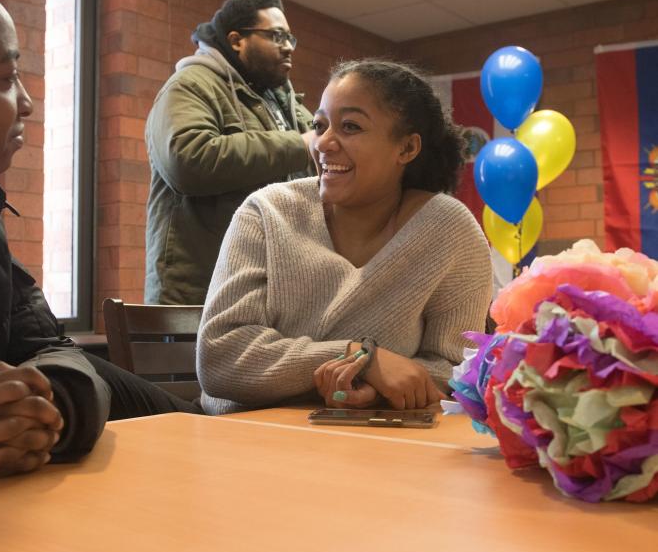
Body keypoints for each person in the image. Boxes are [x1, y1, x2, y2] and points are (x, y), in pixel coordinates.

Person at [0, 0, 190, 485]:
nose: (26, 103)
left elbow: (53, 350)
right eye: (6, 77)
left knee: (191, 442)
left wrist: (50, 407)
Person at [197, 59, 493, 415]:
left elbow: (455, 372)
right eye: (319, 126)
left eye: (350, 126)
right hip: (236, 438)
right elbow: (221, 358)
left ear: (407, 149)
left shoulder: (450, 231)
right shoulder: (266, 211)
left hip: (367, 448)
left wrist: (375, 390)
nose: (323, 143)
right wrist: (361, 357)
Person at [145, 0, 314, 306]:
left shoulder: (284, 103)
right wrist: (298, 145)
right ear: (237, 40)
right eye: (276, 36)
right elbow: (186, 160)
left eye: (291, 38)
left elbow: (325, 146)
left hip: (268, 289)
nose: (288, 47)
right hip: (199, 295)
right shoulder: (192, 85)